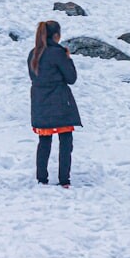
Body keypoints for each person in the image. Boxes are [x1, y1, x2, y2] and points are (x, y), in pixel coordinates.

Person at [28, 20, 81, 187]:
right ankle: (64, 180)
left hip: (39, 101)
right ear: (56, 35)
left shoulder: (33, 53)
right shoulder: (58, 53)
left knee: (44, 141)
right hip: (60, 102)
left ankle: (41, 179)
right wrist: (68, 58)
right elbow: (71, 78)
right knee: (65, 141)